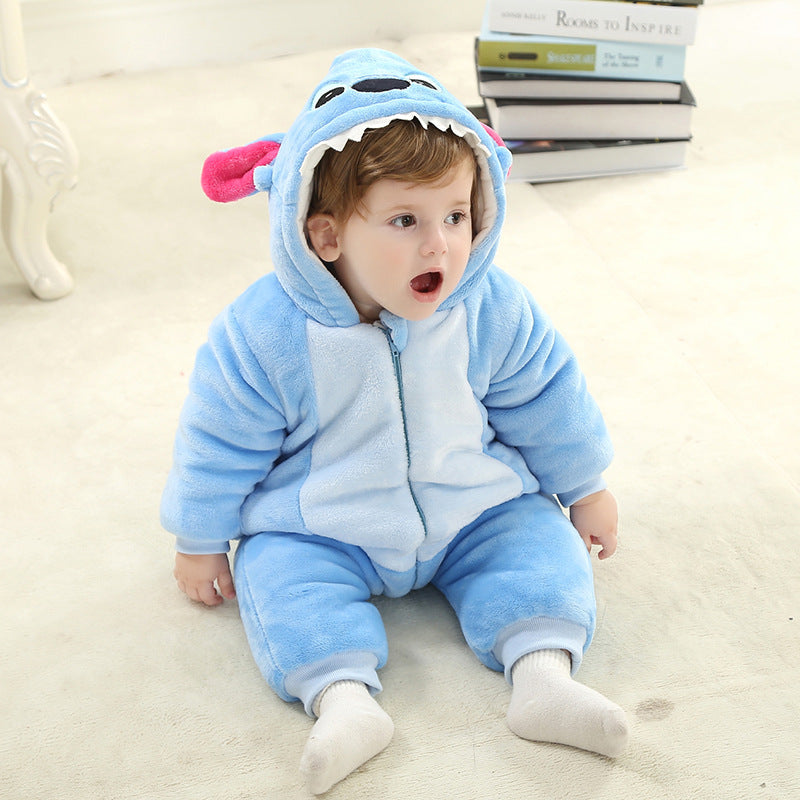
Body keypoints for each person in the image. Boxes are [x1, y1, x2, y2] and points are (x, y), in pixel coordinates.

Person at [161, 48, 629, 795]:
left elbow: (548, 397)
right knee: (279, 580)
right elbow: (218, 441)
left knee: (537, 546)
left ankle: (544, 679)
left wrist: (584, 485)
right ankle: (343, 701)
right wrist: (200, 538)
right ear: (326, 237)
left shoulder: (490, 309)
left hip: (474, 506)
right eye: (405, 220)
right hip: (322, 525)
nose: (439, 243)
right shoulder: (266, 334)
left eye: (456, 215)